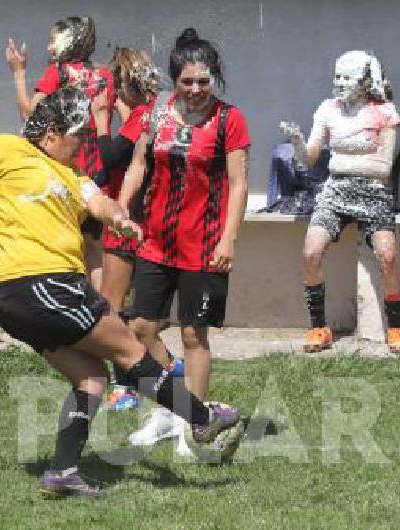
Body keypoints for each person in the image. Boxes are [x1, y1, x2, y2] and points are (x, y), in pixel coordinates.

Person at [0, 88, 246, 498]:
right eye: (78, 138)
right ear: (53, 134)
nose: (82, 148)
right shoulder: (4, 148)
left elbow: (102, 204)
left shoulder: (73, 178)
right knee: (129, 350)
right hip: (39, 283)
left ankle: (63, 472)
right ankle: (202, 419)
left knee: (92, 378)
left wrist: (121, 220)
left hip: (31, 298)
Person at [118, 29, 250, 448]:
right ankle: (168, 409)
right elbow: (138, 164)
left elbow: (239, 183)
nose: (195, 90)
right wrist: (121, 209)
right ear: (174, 79)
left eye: (203, 82)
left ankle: (195, 422)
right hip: (156, 240)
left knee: (194, 334)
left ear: (214, 79)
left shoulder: (230, 120)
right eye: (187, 81)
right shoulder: (155, 114)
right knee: (140, 328)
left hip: (205, 244)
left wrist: (229, 239)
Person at [280, 50, 400, 353]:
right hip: (335, 190)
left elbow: (383, 168)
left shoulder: (385, 112)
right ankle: (318, 327)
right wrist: (297, 141)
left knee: (387, 255)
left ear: (365, 81)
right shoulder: (327, 109)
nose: (339, 83)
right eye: (336, 76)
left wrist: (340, 162)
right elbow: (310, 159)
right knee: (311, 250)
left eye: (346, 78)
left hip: (374, 191)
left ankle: (397, 325)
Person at [90, 48, 182, 410]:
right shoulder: (155, 112)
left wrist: (100, 120)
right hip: (152, 220)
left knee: (111, 308)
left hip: (129, 220)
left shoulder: (141, 116)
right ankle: (169, 366)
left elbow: (110, 159)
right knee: (143, 312)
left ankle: (126, 384)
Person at [5, 16, 118, 289]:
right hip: (97, 168)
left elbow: (30, 116)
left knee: (65, 241)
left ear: (70, 40)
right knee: (93, 246)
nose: (48, 47)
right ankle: (97, 308)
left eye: (52, 39)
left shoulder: (57, 73)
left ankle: (69, 304)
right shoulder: (104, 75)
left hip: (65, 170)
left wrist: (18, 72)